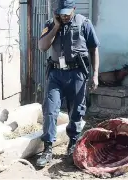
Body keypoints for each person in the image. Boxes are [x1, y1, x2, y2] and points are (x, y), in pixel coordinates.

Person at [36, 0, 100, 167]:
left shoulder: (84, 24)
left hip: (77, 73)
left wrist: (95, 75)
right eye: (61, 12)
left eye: (67, 12)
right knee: (50, 110)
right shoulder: (51, 24)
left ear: (74, 9)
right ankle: (48, 148)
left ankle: (73, 144)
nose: (64, 15)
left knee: (76, 111)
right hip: (56, 74)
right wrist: (56, 27)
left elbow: (94, 49)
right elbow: (42, 47)